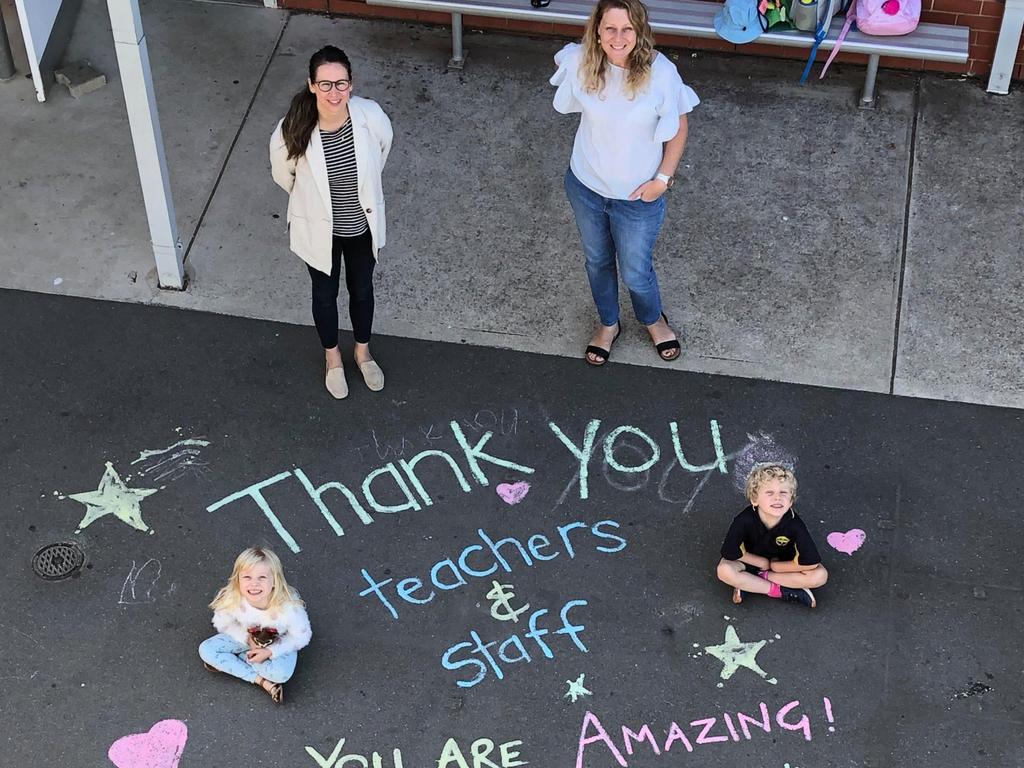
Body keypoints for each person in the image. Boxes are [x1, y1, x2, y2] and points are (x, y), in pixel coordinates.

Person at [550, 0, 699, 366]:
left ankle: (652, 319)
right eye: (610, 28)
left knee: (635, 269)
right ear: (597, 31)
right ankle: (608, 323)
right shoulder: (580, 60)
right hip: (586, 186)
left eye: (627, 29)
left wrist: (662, 179)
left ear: (640, 32)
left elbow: (679, 127)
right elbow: (563, 66)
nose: (619, 37)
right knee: (597, 260)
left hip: (638, 196)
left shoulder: (660, 73)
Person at [270, 46, 393, 399]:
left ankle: (362, 352)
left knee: (363, 290)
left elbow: (381, 153)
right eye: (325, 84)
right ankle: (333, 358)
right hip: (318, 230)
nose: (334, 92)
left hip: (360, 226)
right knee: (324, 296)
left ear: (351, 85)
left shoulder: (370, 116)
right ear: (311, 85)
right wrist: (314, 205)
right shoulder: (291, 129)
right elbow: (285, 175)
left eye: (341, 84)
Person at [198, 547, 311, 703]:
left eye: (262, 577)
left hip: (279, 641)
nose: (254, 584)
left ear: (275, 581)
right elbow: (222, 623)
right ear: (238, 579)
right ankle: (262, 682)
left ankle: (237, 661)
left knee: (281, 674)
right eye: (247, 577)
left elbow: (302, 636)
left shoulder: (289, 608)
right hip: (247, 639)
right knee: (206, 649)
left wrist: (270, 652)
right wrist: (248, 641)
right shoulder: (233, 600)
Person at [716, 464, 829, 608]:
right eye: (769, 492)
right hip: (751, 563)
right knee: (724, 570)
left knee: (820, 575)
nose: (777, 498)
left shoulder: (795, 525)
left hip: (782, 565)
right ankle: (779, 590)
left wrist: (774, 567)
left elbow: (811, 561)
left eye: (784, 493)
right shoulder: (744, 520)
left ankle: (752, 582)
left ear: (791, 501)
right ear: (754, 500)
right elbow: (729, 551)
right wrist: (761, 563)